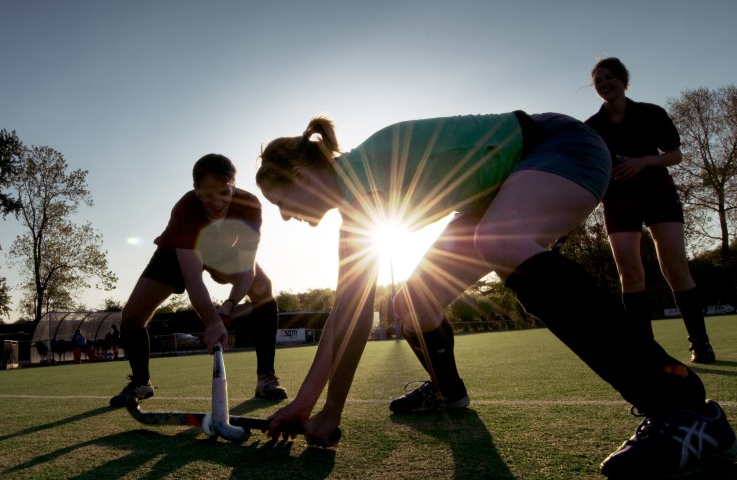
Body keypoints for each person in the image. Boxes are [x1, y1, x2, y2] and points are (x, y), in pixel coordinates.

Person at [256, 112, 734, 477]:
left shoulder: (367, 176)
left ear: (299, 179)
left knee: (500, 244)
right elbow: (351, 315)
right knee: (410, 302)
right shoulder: (354, 199)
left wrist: (309, 402)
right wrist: (323, 410)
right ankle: (448, 393)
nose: (282, 216)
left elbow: (348, 318)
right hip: (495, 186)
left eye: (279, 202)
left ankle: (682, 408)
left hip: (557, 145)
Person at [109, 153, 287, 407]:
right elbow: (193, 279)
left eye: (223, 192)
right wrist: (212, 321)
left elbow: (247, 269)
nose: (216, 202)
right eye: (207, 194)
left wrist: (228, 305)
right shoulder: (185, 210)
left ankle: (265, 378)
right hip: (176, 253)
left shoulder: (250, 206)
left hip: (224, 253)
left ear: (233, 186)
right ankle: (141, 382)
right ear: (195, 191)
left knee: (263, 288)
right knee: (132, 316)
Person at [586, 57, 715, 364]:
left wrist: (642, 161)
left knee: (674, 266)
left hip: (658, 194)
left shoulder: (651, 113)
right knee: (629, 272)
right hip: (617, 200)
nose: (604, 85)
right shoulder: (591, 128)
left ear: (623, 79)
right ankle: (644, 350)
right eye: (597, 82)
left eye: (608, 78)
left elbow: (675, 155)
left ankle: (700, 342)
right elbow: (591, 168)